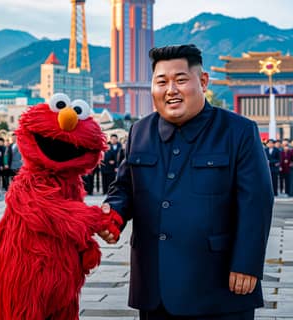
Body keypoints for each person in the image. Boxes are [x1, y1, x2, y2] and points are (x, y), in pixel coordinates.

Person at [99, 44, 274, 320]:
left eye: (181, 80)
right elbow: (124, 188)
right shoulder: (140, 131)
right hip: (154, 286)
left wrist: (247, 264)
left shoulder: (238, 132)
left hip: (218, 285)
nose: (171, 90)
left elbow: (257, 203)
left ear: (203, 81)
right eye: (161, 82)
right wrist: (113, 215)